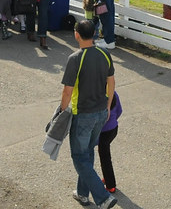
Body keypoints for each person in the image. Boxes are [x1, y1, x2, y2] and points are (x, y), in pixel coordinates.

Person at [60, 19, 117, 209]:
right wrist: (108, 106)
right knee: (88, 153)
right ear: (94, 34)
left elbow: (67, 91)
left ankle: (103, 198)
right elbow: (111, 83)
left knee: (78, 156)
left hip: (83, 114)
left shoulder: (75, 58)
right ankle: (82, 194)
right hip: (101, 112)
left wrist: (61, 112)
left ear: (76, 34)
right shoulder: (104, 53)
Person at [98, 91, 122, 194]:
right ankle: (107, 178)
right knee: (105, 155)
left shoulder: (97, 95)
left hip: (104, 131)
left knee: (105, 158)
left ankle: (110, 185)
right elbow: (119, 110)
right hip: (113, 128)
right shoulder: (113, 93)